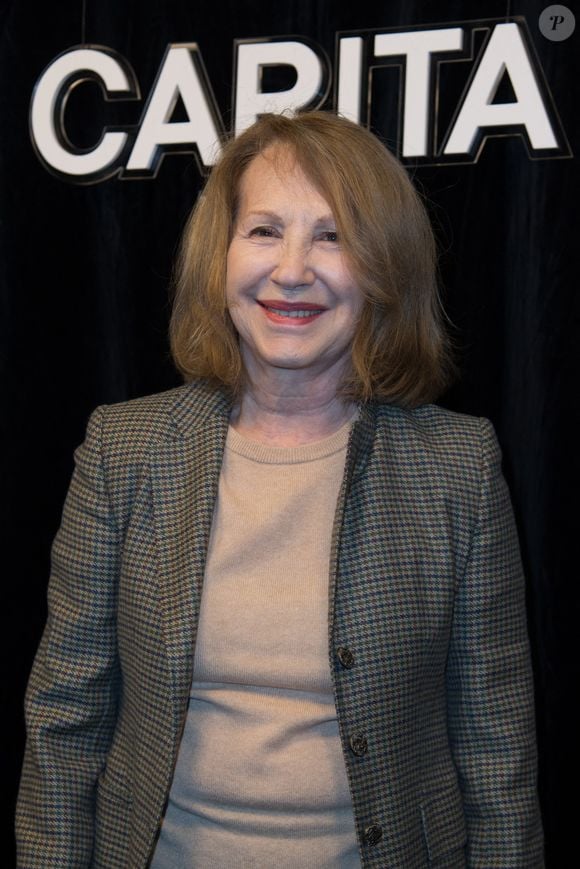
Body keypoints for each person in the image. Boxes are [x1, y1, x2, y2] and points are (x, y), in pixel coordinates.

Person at [16, 111, 543, 868]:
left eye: (332, 236)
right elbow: (65, 722)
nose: (292, 270)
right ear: (221, 254)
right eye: (264, 231)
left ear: (383, 266)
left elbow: (497, 749)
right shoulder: (122, 451)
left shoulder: (458, 467)